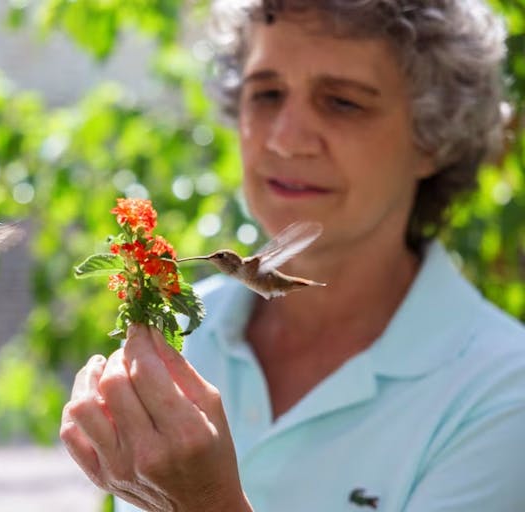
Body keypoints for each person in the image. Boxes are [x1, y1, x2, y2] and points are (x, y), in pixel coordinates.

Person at [60, 0, 525, 510]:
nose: (285, 138)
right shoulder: (183, 332)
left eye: (343, 102)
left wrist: (205, 502)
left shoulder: (503, 393)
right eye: (266, 94)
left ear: (432, 138)